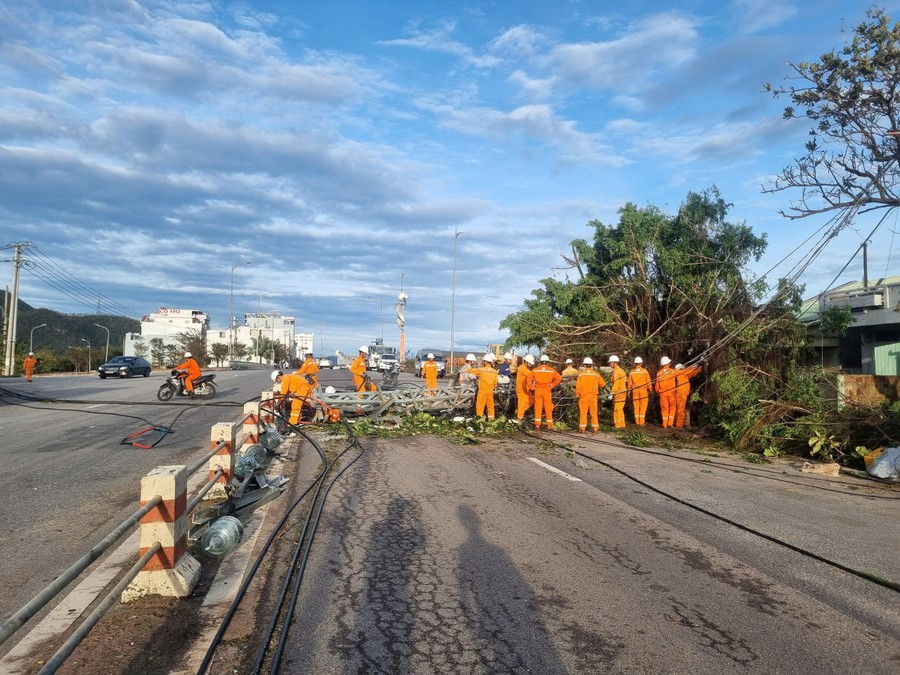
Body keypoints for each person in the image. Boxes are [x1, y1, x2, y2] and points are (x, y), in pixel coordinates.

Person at [528, 354, 562, 430]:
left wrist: (531, 387)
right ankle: (549, 424)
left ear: (540, 363)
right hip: (547, 390)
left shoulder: (535, 370)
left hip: (538, 390)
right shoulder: (551, 370)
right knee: (548, 407)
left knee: (538, 407)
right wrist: (552, 385)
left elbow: (528, 378)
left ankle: (537, 425)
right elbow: (559, 378)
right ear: (548, 363)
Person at [575, 357, 606, 433]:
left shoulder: (581, 375)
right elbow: (603, 384)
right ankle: (595, 428)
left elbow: (578, 386)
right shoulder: (596, 374)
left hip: (583, 397)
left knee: (583, 412)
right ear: (591, 365)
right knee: (594, 412)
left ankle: (582, 428)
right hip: (593, 397)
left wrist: (577, 395)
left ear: (584, 365)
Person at [674, 362, 703, 428]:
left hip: (682, 393)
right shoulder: (680, 373)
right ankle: (679, 424)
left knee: (679, 408)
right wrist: (695, 365)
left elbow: (691, 374)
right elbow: (688, 370)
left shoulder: (683, 375)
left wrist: (698, 369)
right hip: (681, 393)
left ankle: (677, 423)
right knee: (680, 409)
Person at [472, 353, 499, 420]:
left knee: (480, 406)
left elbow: (473, 372)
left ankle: (479, 420)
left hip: (482, 391)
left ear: (485, 362)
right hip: (490, 391)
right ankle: (491, 420)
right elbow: (495, 383)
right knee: (490, 406)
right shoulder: (494, 371)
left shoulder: (482, 370)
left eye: (483, 361)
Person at [627, 356, 651, 425]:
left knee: (636, 406)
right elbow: (648, 382)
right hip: (643, 391)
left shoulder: (632, 372)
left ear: (635, 364)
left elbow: (629, 383)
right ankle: (642, 422)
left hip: (635, 391)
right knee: (643, 406)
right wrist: (651, 390)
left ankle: (637, 422)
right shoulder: (645, 372)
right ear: (641, 363)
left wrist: (629, 391)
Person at [655, 356, 677, 428]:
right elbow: (683, 372)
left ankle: (664, 424)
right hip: (671, 393)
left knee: (664, 409)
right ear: (668, 363)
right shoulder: (672, 371)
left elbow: (657, 384)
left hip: (662, 394)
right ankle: (670, 424)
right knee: (672, 408)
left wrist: (657, 391)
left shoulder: (659, 373)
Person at [515, 354, 535, 423]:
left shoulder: (525, 369)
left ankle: (518, 411)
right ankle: (519, 418)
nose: (531, 365)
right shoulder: (522, 368)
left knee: (531, 401)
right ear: (526, 362)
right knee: (522, 403)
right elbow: (531, 374)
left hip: (526, 390)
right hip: (521, 390)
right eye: (530, 363)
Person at [608, 355, 627, 428]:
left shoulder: (617, 372)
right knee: (618, 409)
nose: (610, 364)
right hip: (620, 392)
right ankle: (621, 424)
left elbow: (616, 383)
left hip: (620, 392)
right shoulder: (619, 371)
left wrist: (611, 393)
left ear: (614, 363)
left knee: (618, 409)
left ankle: (619, 425)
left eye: (610, 363)